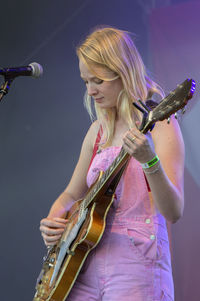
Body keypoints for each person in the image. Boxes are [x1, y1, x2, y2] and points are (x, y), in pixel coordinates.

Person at [39, 26, 184, 301]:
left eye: (98, 81)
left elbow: (174, 211)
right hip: (82, 264)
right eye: (85, 82)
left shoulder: (162, 124)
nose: (91, 90)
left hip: (137, 263)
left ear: (123, 73)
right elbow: (71, 194)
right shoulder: (97, 131)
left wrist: (149, 160)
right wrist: (54, 218)